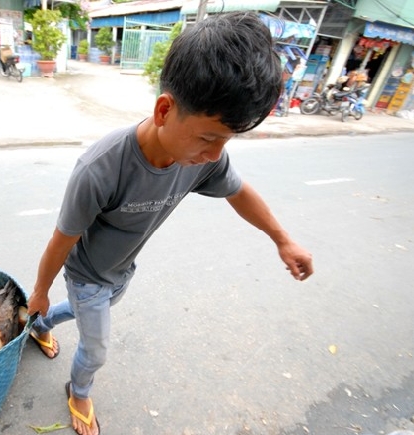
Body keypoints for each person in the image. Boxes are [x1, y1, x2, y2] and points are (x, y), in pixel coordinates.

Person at [26, 12, 314, 435]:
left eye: (226, 141)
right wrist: (39, 290)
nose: (215, 154)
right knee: (97, 345)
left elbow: (239, 191)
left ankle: (41, 325)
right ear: (164, 110)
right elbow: (60, 242)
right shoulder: (100, 169)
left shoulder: (199, 158)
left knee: (97, 311)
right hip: (88, 275)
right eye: (209, 138)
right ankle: (79, 391)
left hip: (122, 271)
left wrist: (282, 240)